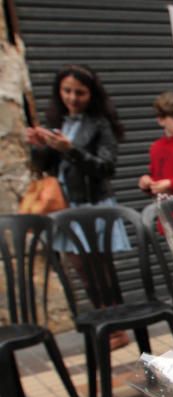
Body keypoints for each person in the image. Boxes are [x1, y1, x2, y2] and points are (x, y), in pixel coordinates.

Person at [26, 64, 130, 348]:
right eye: (67, 91)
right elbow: (44, 167)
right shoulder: (56, 122)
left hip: (93, 205)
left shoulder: (100, 124)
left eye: (79, 92)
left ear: (91, 94)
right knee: (81, 268)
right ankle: (104, 322)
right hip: (66, 206)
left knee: (101, 266)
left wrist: (69, 149)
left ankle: (118, 326)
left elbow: (105, 167)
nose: (72, 97)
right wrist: (38, 147)